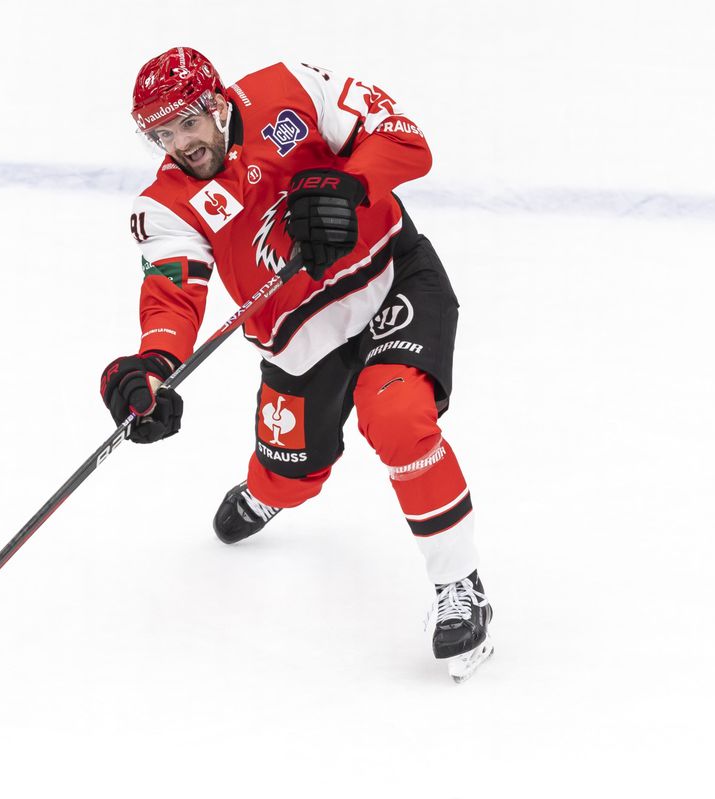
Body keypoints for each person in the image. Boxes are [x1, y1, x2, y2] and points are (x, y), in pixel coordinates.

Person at [99, 47, 493, 683]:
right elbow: (173, 294)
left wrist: (350, 180)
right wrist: (151, 365)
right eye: (162, 134)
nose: (179, 144)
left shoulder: (293, 89)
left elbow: (406, 141)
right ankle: (267, 492)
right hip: (300, 338)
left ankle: (460, 587)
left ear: (218, 104)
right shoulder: (167, 206)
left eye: (187, 125)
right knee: (291, 473)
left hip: (391, 279)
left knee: (395, 416)